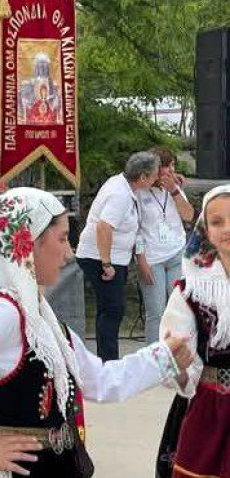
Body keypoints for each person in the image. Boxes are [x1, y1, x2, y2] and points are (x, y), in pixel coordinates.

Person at [0, 187, 193, 478]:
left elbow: (99, 380)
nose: (68, 253)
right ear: (28, 242)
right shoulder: (0, 312)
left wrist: (164, 357)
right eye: (63, 238)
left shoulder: (37, 314)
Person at [155, 185, 230, 478]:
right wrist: (179, 367)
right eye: (217, 222)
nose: (227, 229)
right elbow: (177, 355)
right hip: (210, 407)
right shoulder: (190, 292)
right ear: (205, 230)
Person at [76, 151, 160, 360]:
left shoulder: (123, 185)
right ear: (143, 177)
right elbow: (104, 227)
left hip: (114, 257)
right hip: (101, 257)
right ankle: (108, 361)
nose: (156, 178)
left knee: (110, 309)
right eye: (154, 175)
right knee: (113, 309)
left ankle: (106, 359)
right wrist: (106, 263)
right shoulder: (120, 194)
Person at [135, 147, 194, 345]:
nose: (170, 171)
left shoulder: (175, 188)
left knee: (178, 308)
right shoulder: (140, 192)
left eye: (172, 166)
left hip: (176, 253)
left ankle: (178, 353)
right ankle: (152, 359)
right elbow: (135, 229)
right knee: (156, 312)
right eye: (166, 167)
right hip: (152, 259)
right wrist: (140, 259)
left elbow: (188, 215)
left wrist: (175, 191)